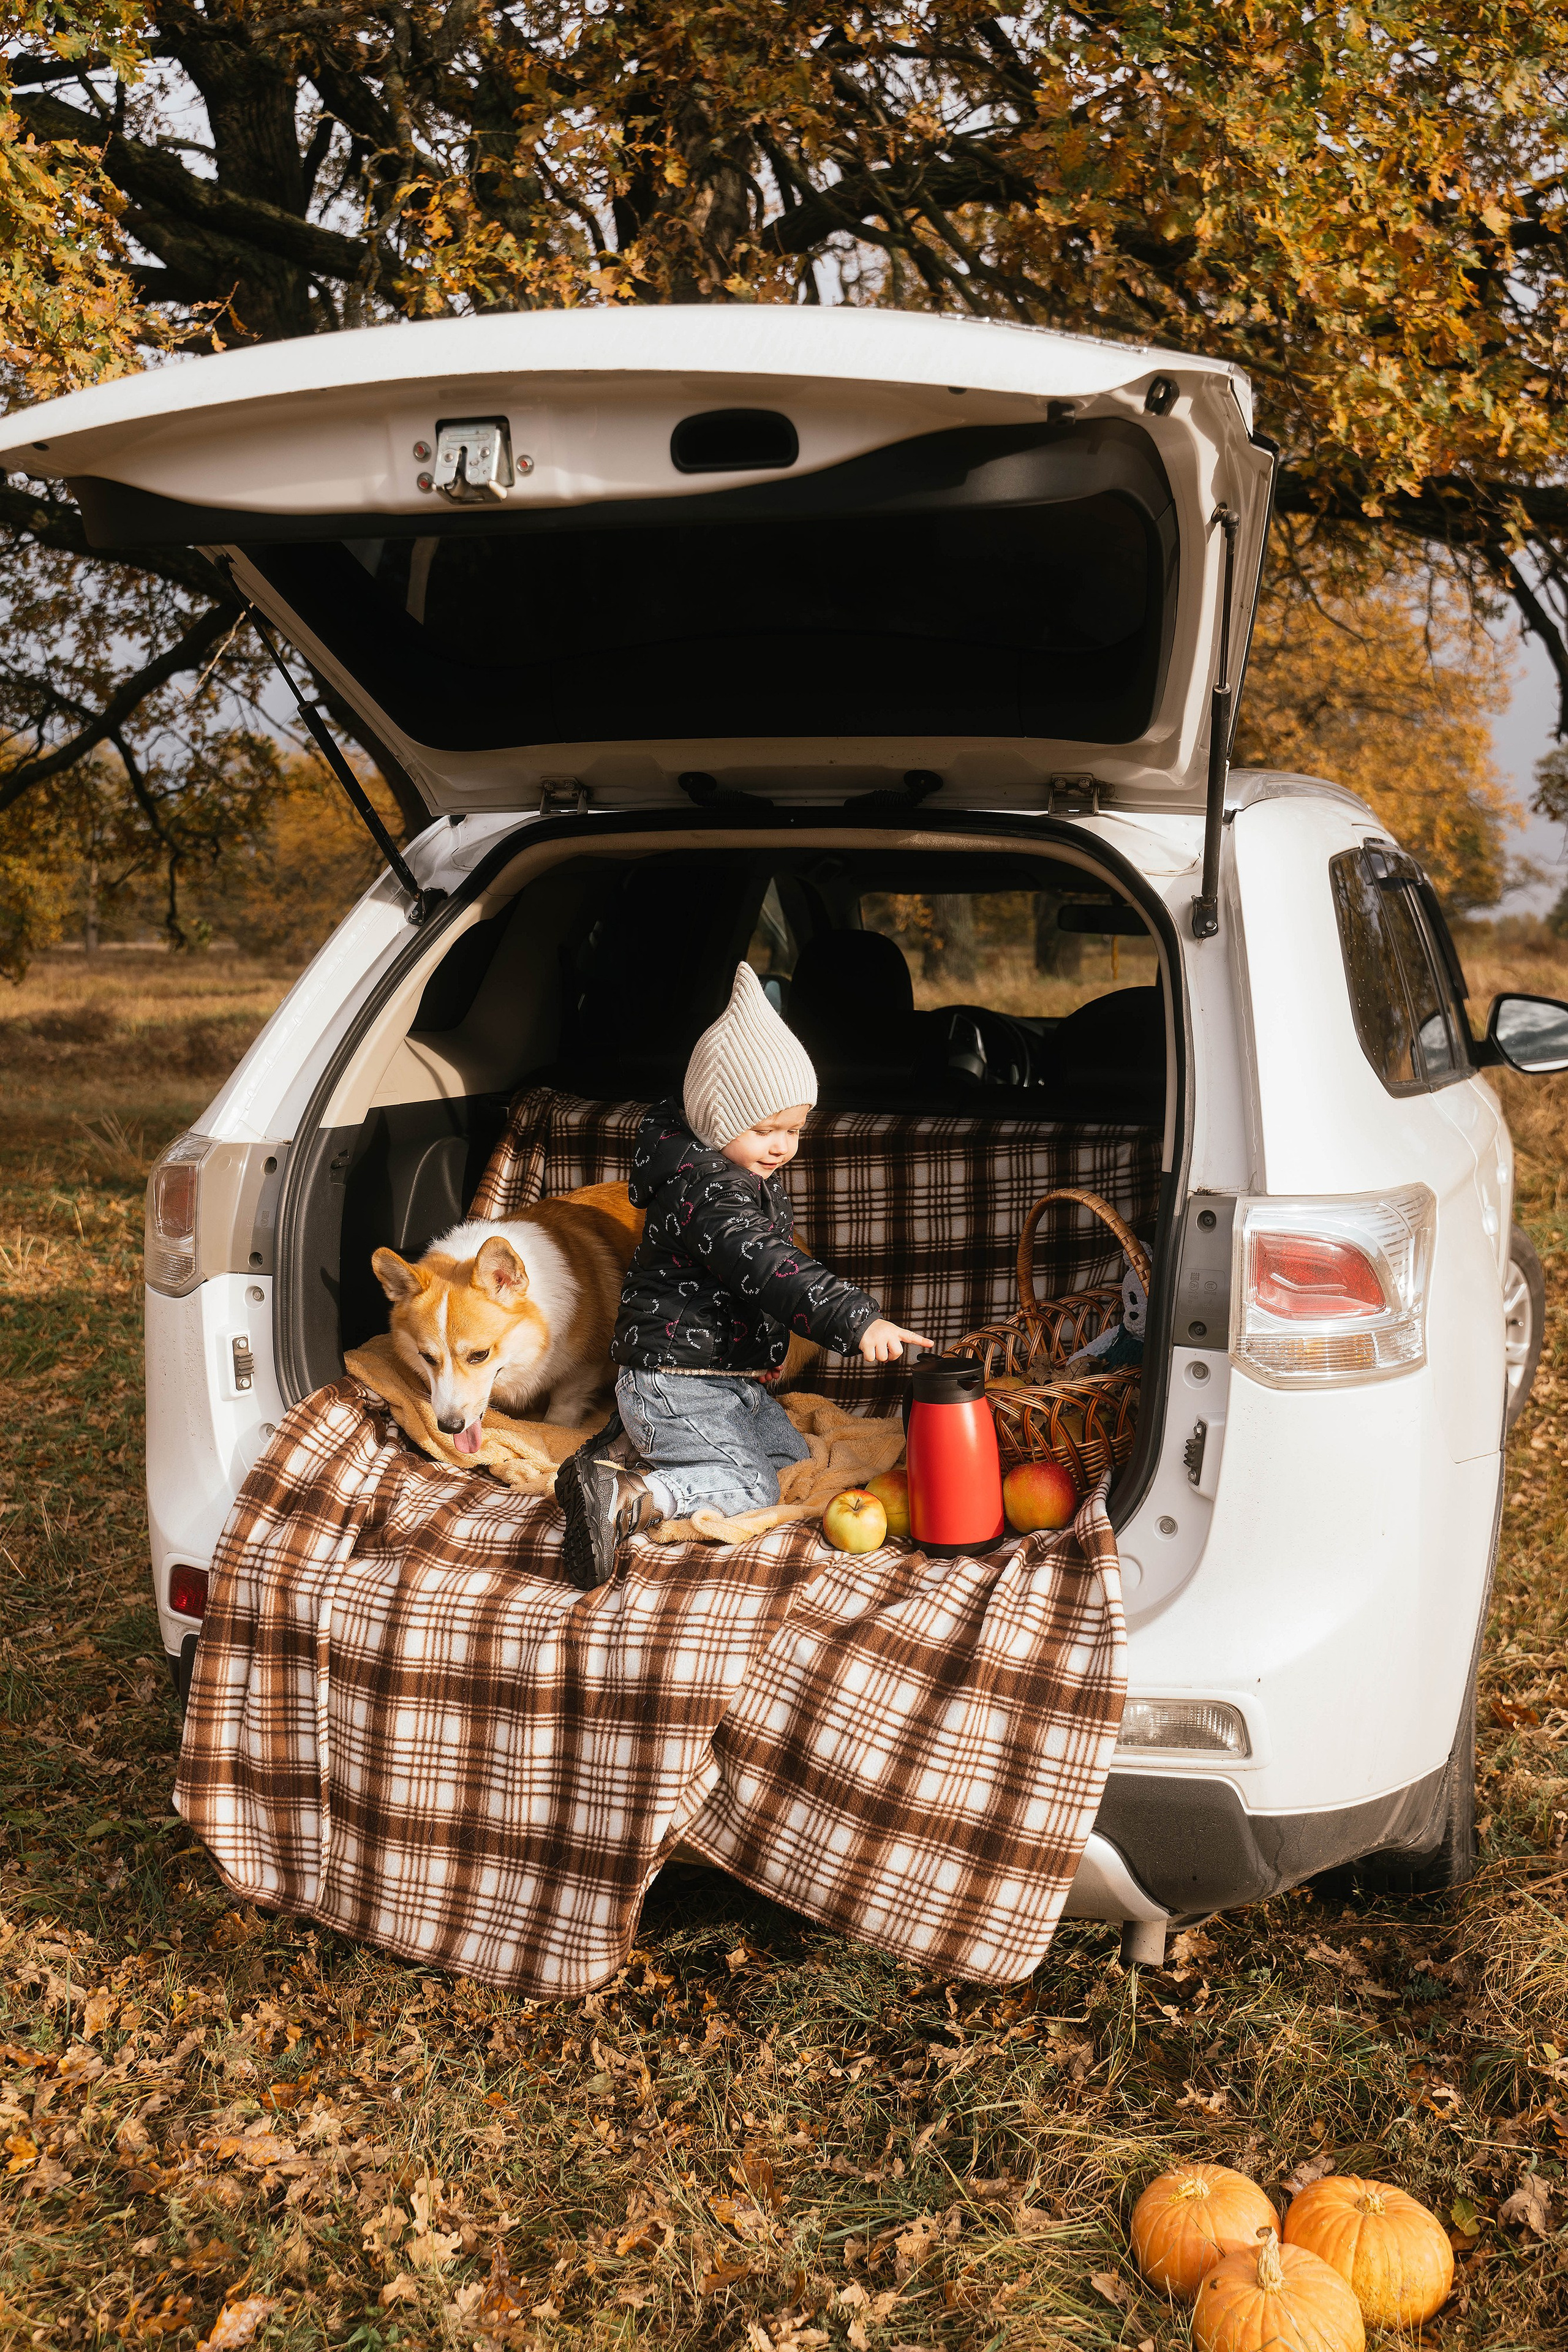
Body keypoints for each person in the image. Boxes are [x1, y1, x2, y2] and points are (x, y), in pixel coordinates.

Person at [557, 960, 932, 1586]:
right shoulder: (705, 1195)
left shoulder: (742, 1180)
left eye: (794, 1131)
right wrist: (855, 1320)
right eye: (765, 1130)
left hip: (723, 1379)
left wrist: (762, 1351)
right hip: (674, 1382)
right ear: (714, 1120)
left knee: (787, 1455)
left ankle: (621, 1445)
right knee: (751, 1486)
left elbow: (740, 1289)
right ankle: (626, 1496)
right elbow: (767, 1267)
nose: (782, 1146)